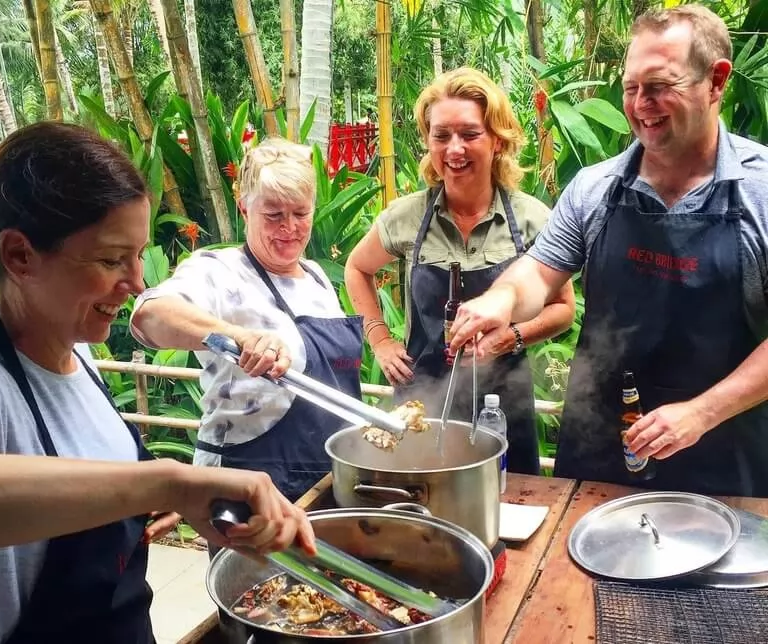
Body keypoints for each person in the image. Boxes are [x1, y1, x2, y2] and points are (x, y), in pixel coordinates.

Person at [0, 122, 314, 644]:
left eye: (138, 255)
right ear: (19, 255)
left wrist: (155, 495)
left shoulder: (77, 354)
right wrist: (169, 481)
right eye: (112, 259)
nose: (136, 282)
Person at [448, 5, 768, 497]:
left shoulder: (760, 192)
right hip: (600, 451)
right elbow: (539, 273)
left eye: (660, 86)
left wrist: (701, 413)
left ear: (716, 81)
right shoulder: (595, 189)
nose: (641, 104)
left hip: (725, 461)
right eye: (631, 87)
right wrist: (502, 299)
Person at [344, 67, 575, 475]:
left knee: (510, 507)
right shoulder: (407, 218)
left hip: (503, 403)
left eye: (470, 134)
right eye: (441, 135)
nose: (454, 149)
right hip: (422, 401)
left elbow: (562, 309)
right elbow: (357, 269)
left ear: (497, 140)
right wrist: (379, 339)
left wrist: (511, 337)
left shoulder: (532, 220)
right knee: (419, 510)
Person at [131, 137, 363, 502]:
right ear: (244, 209)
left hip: (324, 476)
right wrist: (238, 336)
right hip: (247, 476)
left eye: (300, 213)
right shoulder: (219, 272)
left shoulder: (317, 277)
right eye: (273, 214)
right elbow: (150, 314)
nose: (289, 227)